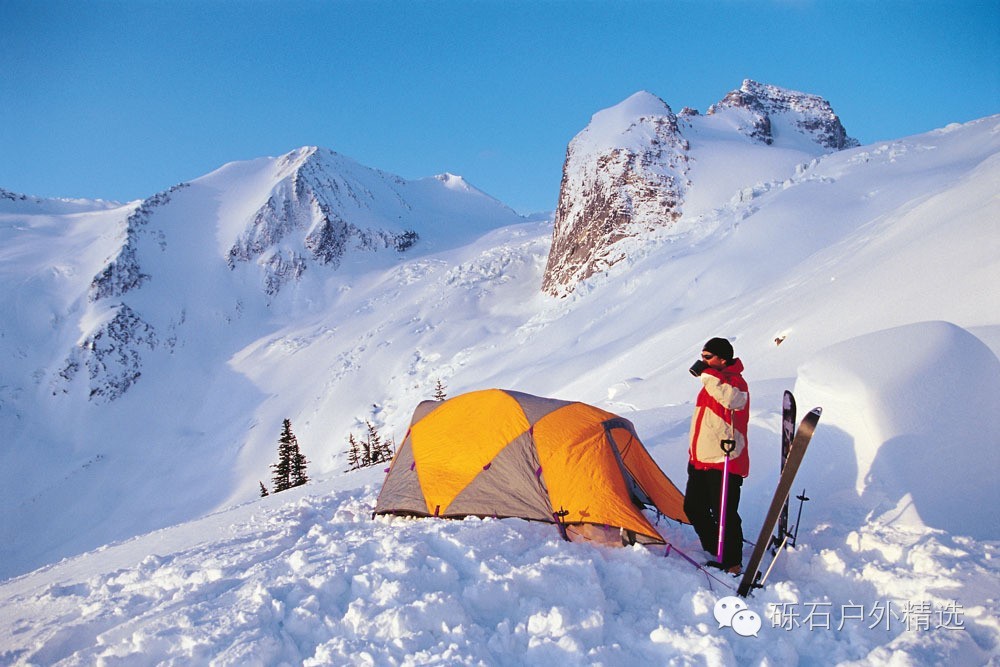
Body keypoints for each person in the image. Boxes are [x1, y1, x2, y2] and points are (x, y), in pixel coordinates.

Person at [684, 337, 750, 574]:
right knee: (693, 507)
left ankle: (732, 562)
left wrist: (708, 375)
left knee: (725, 513)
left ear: (723, 359)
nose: (704, 362)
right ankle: (716, 549)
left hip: (725, 458)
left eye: (708, 357)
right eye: (702, 357)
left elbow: (732, 401)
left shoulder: (735, 384)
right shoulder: (712, 383)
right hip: (701, 459)